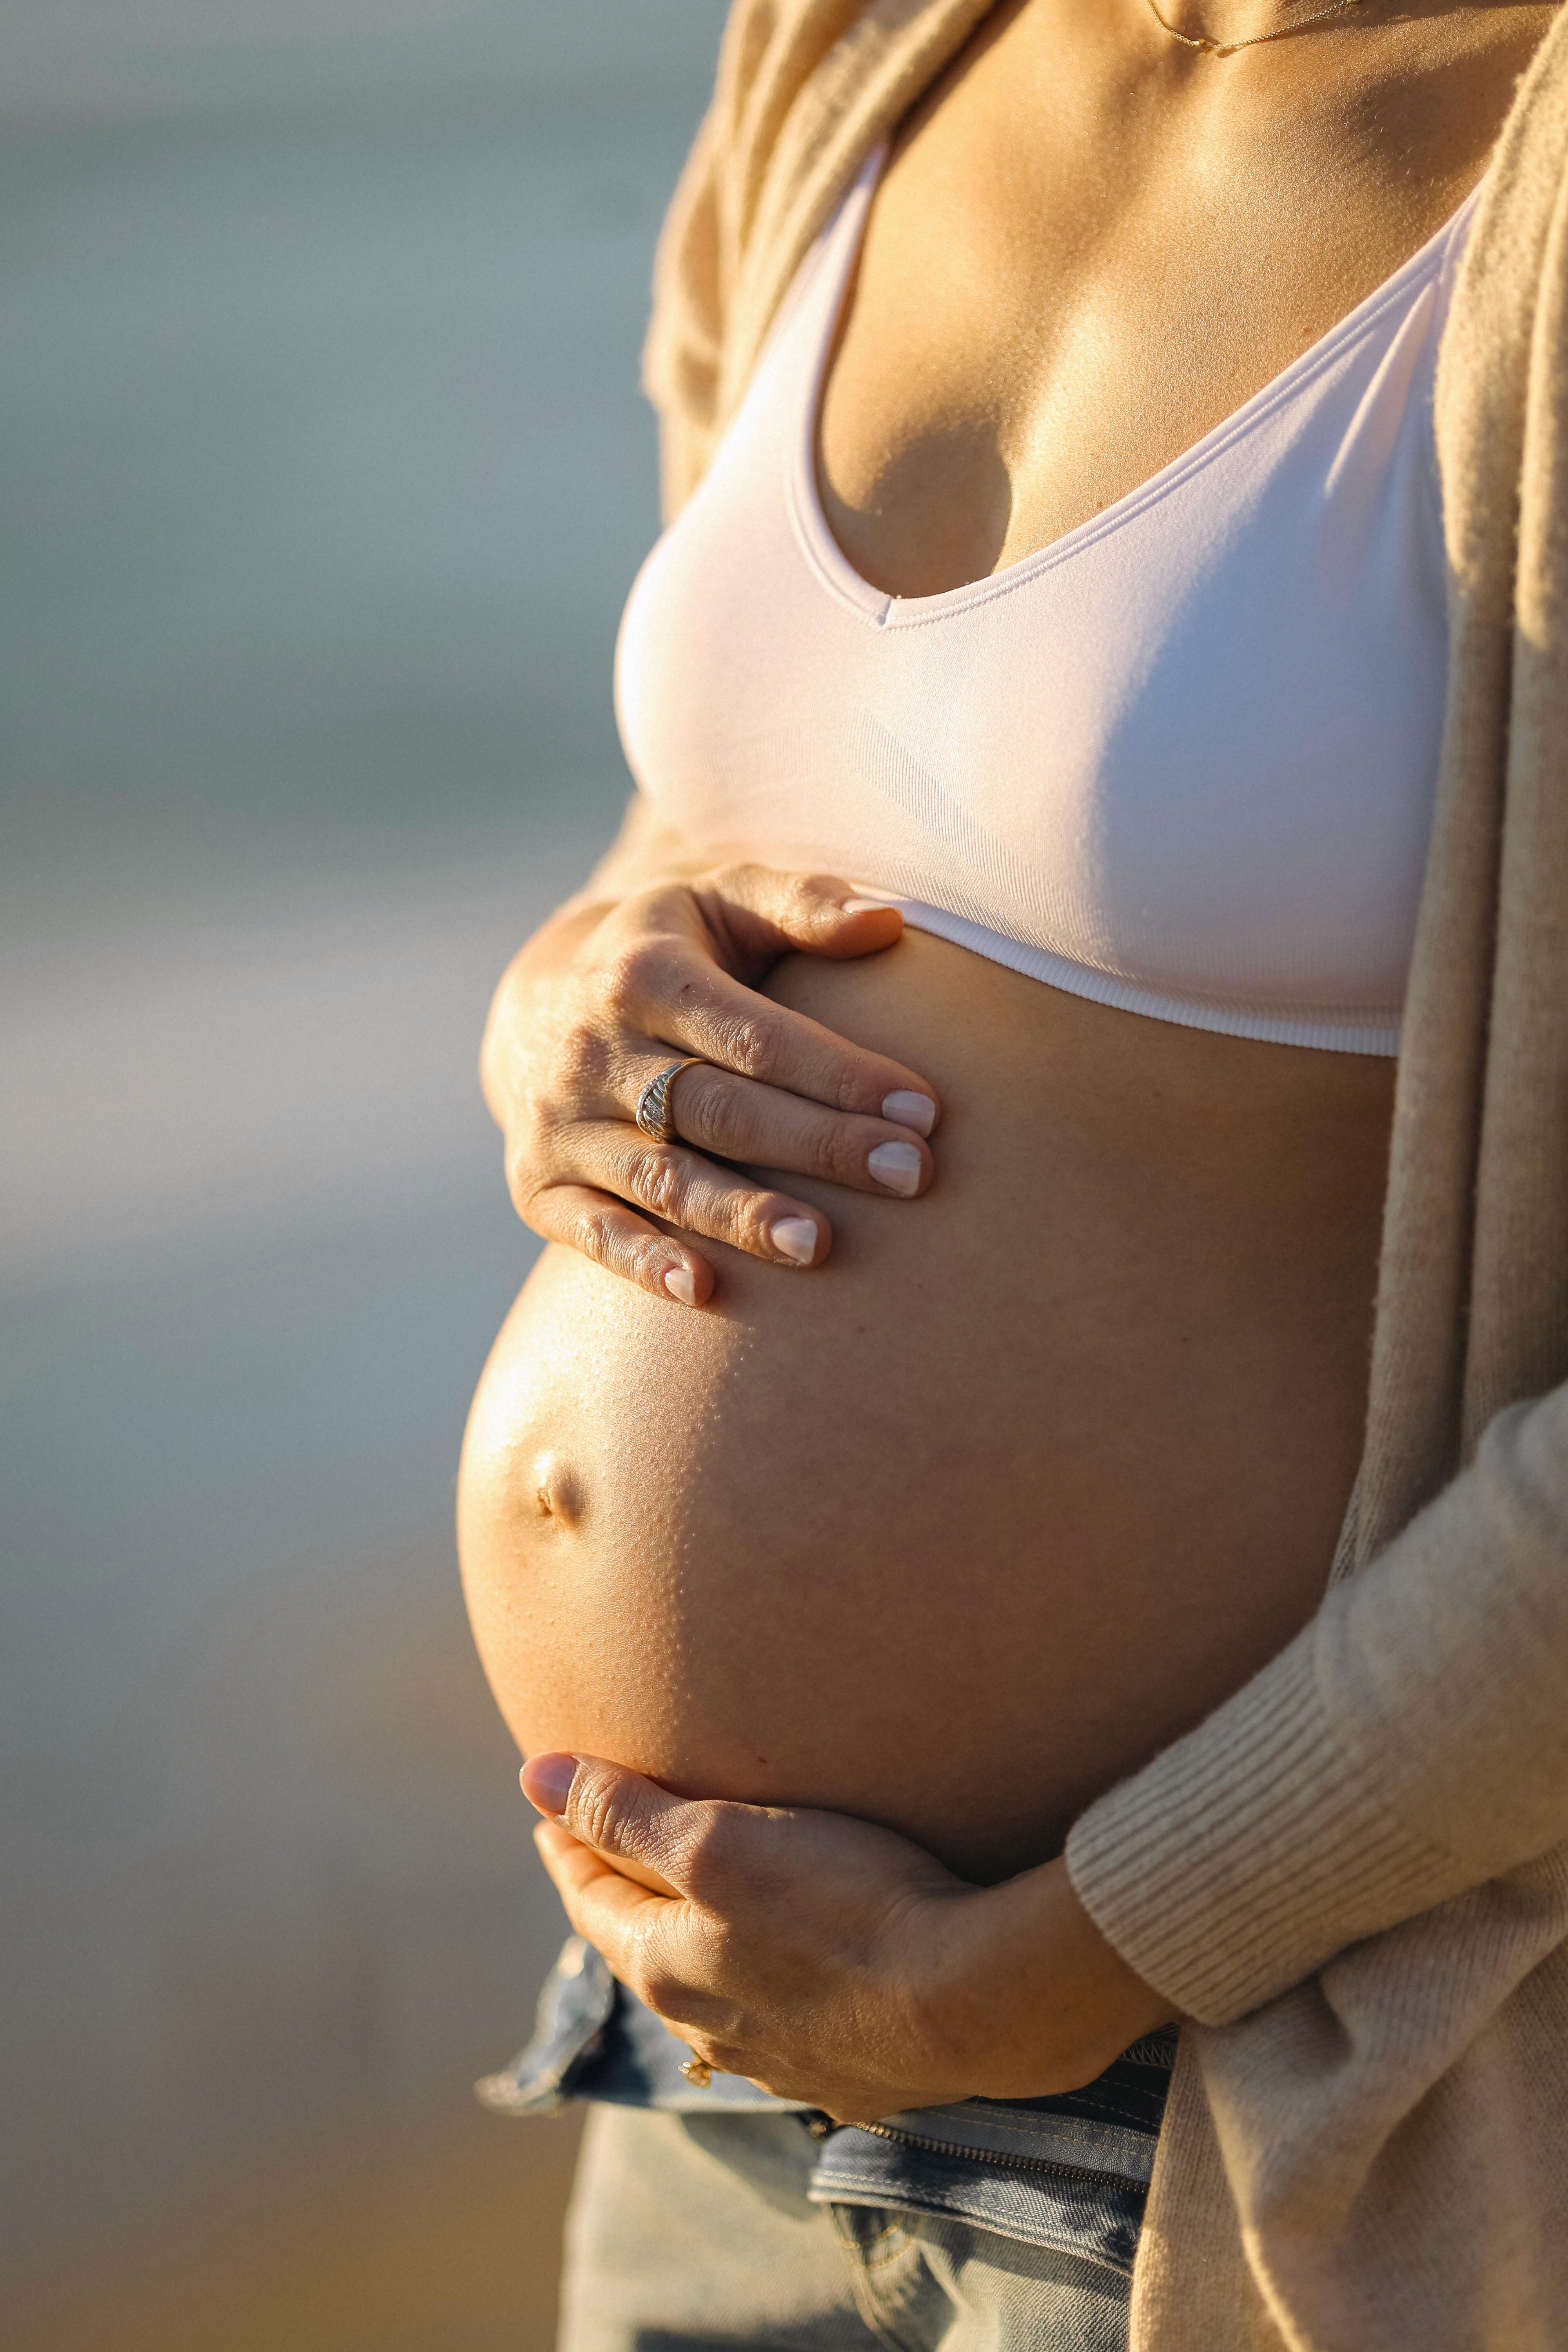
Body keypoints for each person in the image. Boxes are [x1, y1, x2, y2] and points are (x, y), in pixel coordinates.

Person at [458, 3, 1568, 2345]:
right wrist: (565, 987)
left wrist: (1073, 1957)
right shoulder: (859, 45)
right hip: (684, 2014)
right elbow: (773, 802)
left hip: (1240, 2097)